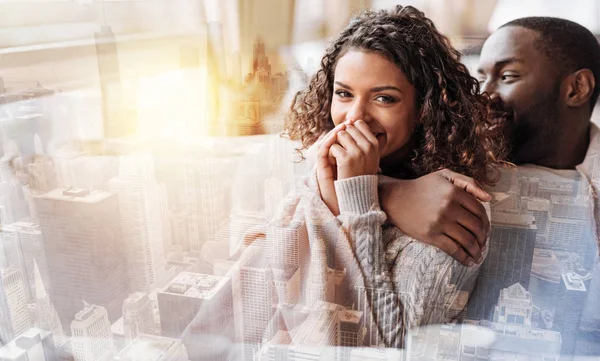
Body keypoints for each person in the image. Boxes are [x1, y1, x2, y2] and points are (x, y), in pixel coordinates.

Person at [276, 4, 503, 348]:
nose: (354, 118)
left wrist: (358, 198)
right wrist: (379, 190)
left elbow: (390, 347)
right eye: (344, 93)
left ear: (423, 109)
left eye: (384, 98)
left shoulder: (450, 205)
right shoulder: (323, 164)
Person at [383, 16, 600, 357]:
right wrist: (389, 191)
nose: (485, 95)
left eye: (507, 76)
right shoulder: (445, 162)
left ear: (576, 89)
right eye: (482, 77)